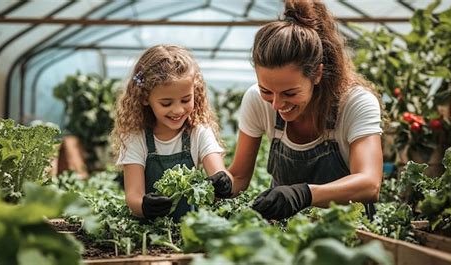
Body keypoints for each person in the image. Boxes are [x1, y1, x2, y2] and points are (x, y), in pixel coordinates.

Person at [210, 0, 384, 220]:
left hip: (351, 231)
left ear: (317, 74)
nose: (276, 104)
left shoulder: (355, 103)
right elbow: (239, 177)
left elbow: (369, 184)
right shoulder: (256, 100)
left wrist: (304, 194)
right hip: (288, 232)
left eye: (290, 93)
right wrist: (222, 185)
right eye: (266, 91)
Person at [112, 45, 231, 222]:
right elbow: (133, 196)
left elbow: (219, 173)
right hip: (148, 232)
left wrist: (223, 183)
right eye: (166, 103)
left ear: (195, 92)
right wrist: (144, 206)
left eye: (186, 99)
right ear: (145, 98)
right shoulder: (136, 137)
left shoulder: (198, 132)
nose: (178, 110)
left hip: (188, 230)